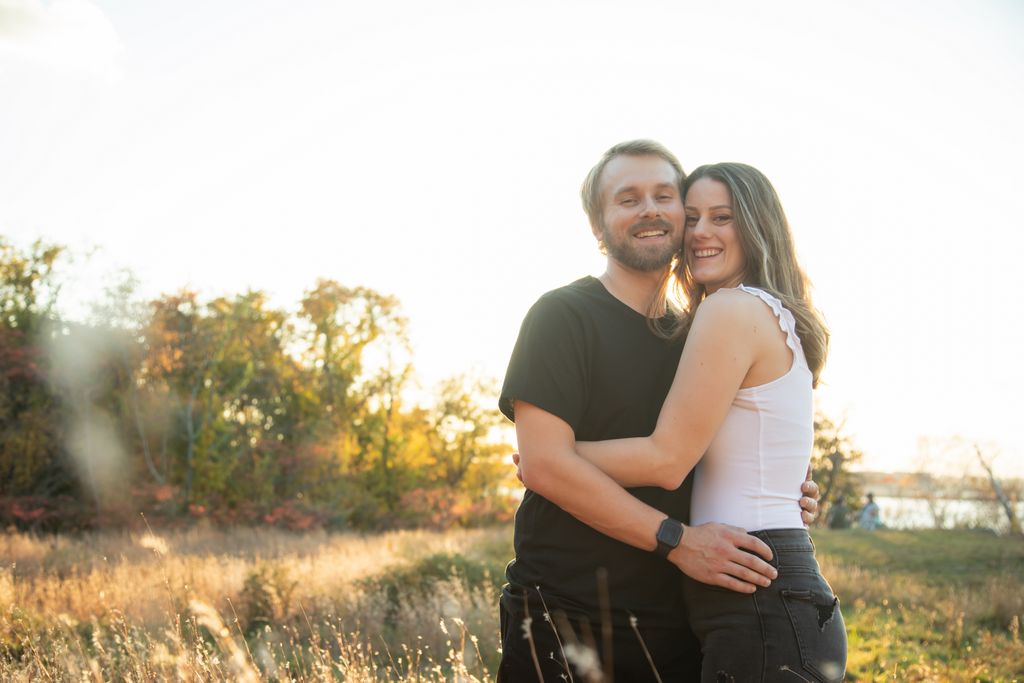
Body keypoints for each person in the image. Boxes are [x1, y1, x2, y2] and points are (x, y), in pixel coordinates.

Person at [497, 141, 820, 682]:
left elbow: (729, 449)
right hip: (567, 613)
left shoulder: (700, 334)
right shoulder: (561, 316)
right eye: (628, 199)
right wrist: (677, 540)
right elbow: (546, 465)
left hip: (681, 627)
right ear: (598, 226)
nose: (649, 209)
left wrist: (792, 490)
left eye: (664, 196)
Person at [568, 162, 847, 681]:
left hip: (757, 592)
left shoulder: (731, 310)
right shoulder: (768, 312)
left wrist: (555, 458)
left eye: (722, 217)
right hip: (768, 587)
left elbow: (667, 459)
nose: (700, 232)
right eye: (692, 217)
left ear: (757, 226)